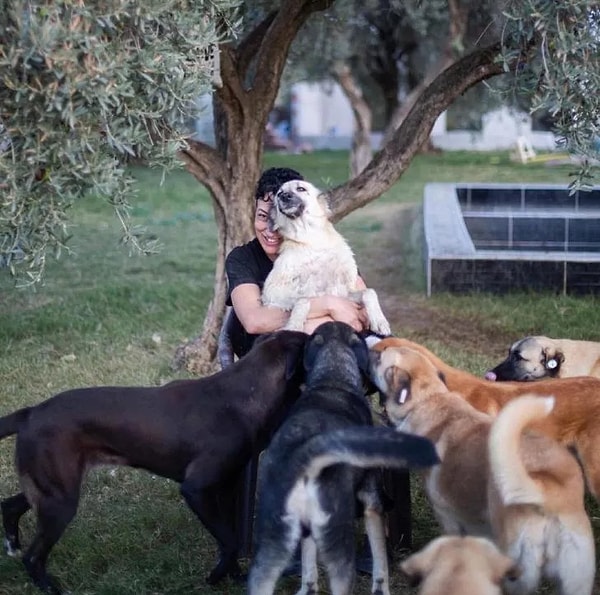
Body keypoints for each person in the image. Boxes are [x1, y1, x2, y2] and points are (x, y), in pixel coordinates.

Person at [225, 166, 369, 359]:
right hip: (269, 360)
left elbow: (360, 315)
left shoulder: (326, 249)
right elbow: (254, 321)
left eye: (281, 215)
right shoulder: (242, 258)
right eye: (262, 216)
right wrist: (328, 306)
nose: (271, 228)